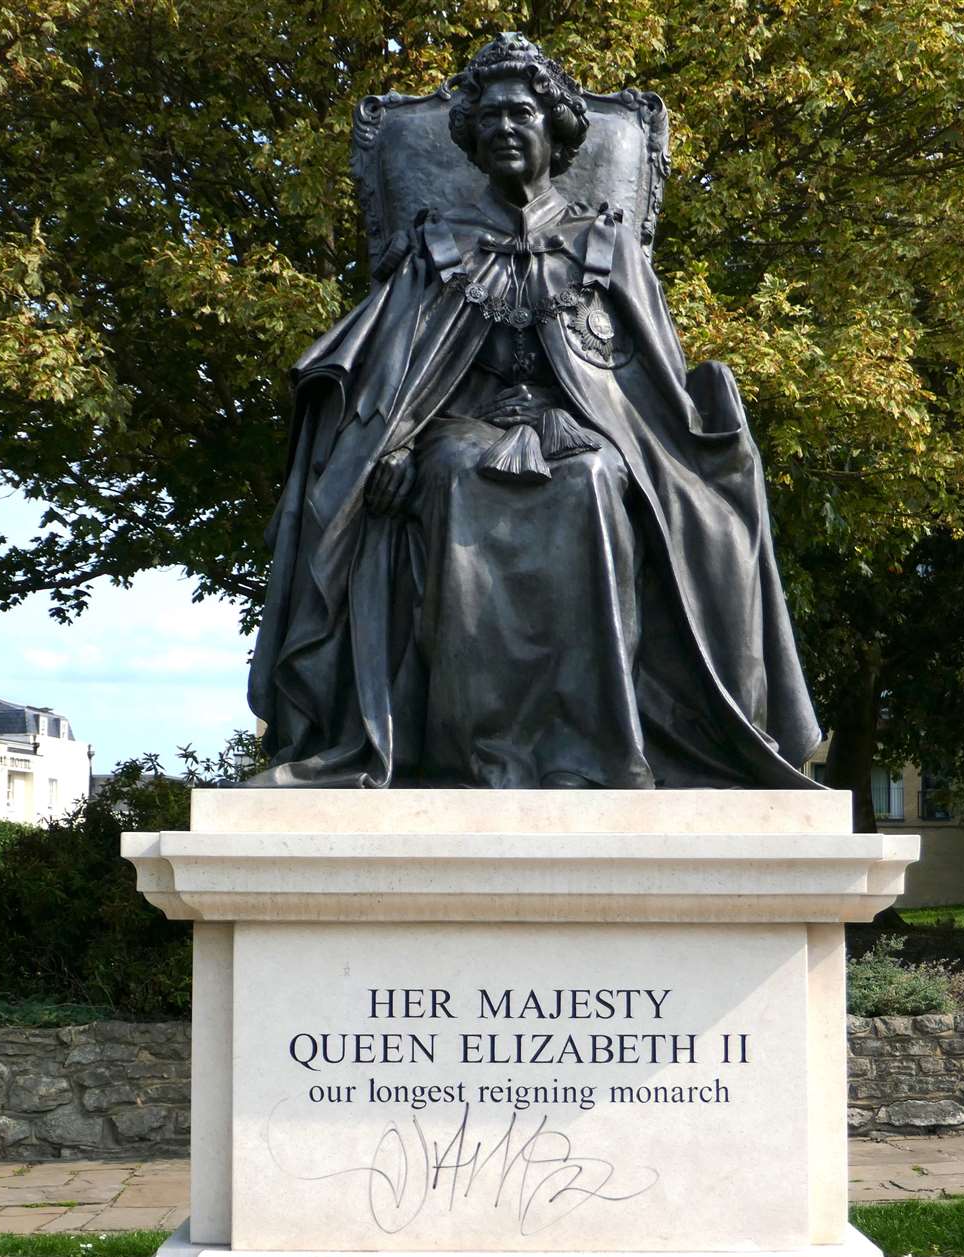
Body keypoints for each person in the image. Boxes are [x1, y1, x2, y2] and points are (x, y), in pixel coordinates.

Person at [247, 34, 821, 790]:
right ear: (473, 141)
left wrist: (637, 431)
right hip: (460, 430)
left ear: (554, 128)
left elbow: (650, 386)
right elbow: (394, 373)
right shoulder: (437, 246)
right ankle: (466, 753)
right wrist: (395, 445)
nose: (504, 128)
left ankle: (594, 751)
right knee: (450, 478)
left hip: (584, 433)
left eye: (521, 113)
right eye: (487, 119)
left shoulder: (606, 247)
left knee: (593, 482)